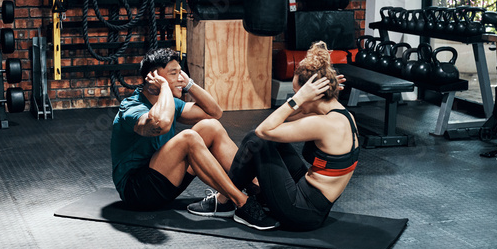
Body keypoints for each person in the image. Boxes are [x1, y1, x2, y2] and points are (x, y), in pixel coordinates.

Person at [187, 41, 356, 231]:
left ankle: (224, 200)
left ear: (311, 95)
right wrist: (310, 95)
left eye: (295, 93)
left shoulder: (320, 124)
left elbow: (262, 131)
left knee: (255, 140)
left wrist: (297, 99)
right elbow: (282, 120)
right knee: (274, 143)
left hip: (300, 213)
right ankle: (232, 198)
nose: (295, 99)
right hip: (314, 206)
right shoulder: (343, 116)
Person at [110, 48, 277, 229]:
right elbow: (161, 123)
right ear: (154, 78)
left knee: (209, 126)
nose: (180, 77)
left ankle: (258, 190)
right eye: (174, 73)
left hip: (162, 178)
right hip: (137, 192)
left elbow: (214, 113)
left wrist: (189, 84)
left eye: (181, 72)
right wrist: (165, 86)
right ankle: (242, 203)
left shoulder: (171, 102)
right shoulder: (131, 108)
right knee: (188, 137)